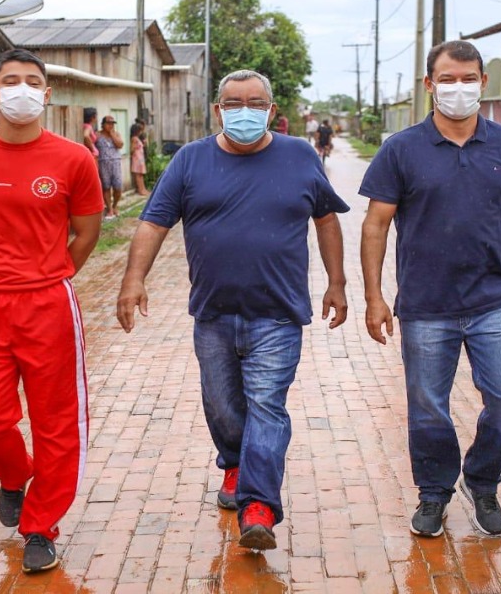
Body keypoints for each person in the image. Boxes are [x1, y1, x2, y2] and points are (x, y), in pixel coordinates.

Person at [116, 69, 349, 551]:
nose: (244, 110)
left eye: (255, 102)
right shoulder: (190, 160)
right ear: (218, 110)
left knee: (267, 404)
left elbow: (326, 220)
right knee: (222, 407)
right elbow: (154, 223)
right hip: (214, 313)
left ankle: (258, 504)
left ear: (271, 109)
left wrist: (337, 283)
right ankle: (236, 465)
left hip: (279, 313)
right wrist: (133, 279)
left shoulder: (300, 156)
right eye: (233, 103)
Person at [360, 39, 501, 539]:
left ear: (483, 83)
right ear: (429, 86)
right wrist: (375, 296)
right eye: (448, 79)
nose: (459, 88)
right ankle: (434, 493)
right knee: (428, 406)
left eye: (469, 78)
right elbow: (376, 224)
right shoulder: (400, 150)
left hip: (494, 300)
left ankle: (483, 480)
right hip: (426, 305)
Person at [0, 48, 103, 574]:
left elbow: (86, 234)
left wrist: (48, 274)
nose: (21, 89)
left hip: (48, 304)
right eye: (9, 81)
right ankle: (15, 475)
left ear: (46, 93)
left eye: (32, 81)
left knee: (57, 421)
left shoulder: (74, 159)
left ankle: (41, 525)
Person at [97, 115, 125, 219]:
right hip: (103, 163)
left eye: (112, 123)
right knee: (106, 187)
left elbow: (120, 145)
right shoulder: (98, 135)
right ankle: (109, 209)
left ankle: (115, 206)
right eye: (108, 123)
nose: (111, 125)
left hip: (115, 163)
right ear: (103, 124)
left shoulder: (116, 134)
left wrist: (112, 134)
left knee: (118, 187)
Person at [129, 123, 149, 196]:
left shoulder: (137, 138)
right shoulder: (134, 138)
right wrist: (134, 149)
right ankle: (140, 190)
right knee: (138, 175)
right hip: (137, 158)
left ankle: (143, 189)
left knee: (141, 174)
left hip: (140, 158)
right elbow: (132, 149)